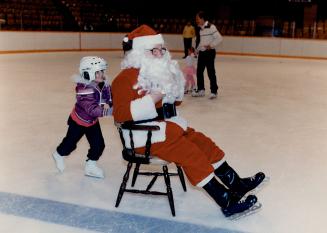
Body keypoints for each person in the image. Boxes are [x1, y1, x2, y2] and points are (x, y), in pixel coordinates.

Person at [112, 24, 266, 218]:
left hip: (162, 128)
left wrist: (175, 85)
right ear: (140, 53)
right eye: (154, 50)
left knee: (202, 142)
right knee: (191, 154)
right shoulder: (123, 80)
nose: (160, 54)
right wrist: (153, 98)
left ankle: (236, 184)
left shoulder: (154, 73)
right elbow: (120, 114)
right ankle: (226, 200)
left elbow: (173, 102)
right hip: (143, 136)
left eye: (162, 49)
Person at [52, 56, 113, 179]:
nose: (102, 75)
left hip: (92, 121)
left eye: (102, 71)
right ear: (87, 74)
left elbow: (108, 97)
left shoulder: (102, 84)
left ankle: (91, 165)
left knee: (99, 145)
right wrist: (111, 111)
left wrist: (112, 103)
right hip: (79, 121)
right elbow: (92, 109)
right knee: (70, 144)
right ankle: (58, 154)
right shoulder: (83, 90)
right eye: (98, 72)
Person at [192, 11, 223, 99]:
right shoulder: (200, 28)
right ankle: (201, 90)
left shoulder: (211, 27)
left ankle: (214, 91)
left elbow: (219, 38)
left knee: (211, 72)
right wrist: (197, 50)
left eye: (197, 18)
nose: (196, 20)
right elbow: (201, 42)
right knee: (199, 71)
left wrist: (211, 45)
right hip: (202, 52)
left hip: (209, 53)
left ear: (202, 18)